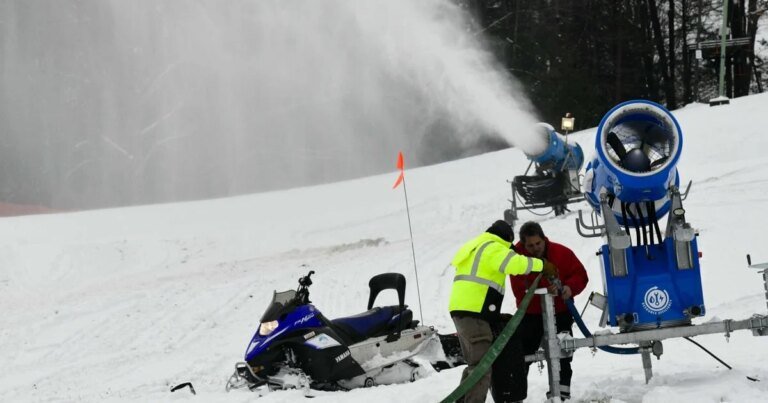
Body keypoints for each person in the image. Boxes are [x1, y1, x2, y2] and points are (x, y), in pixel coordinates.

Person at [449, 220, 555, 403]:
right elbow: (515, 264)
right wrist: (541, 265)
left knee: (475, 366)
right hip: (475, 314)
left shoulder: (476, 246)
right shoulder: (493, 247)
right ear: (506, 239)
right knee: (482, 368)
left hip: (462, 311)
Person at [495, 221, 589, 402]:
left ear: (544, 239)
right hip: (530, 314)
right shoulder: (517, 259)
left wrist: (569, 288)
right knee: (521, 354)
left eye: (538, 244)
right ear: (523, 244)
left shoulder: (562, 253)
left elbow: (580, 275)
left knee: (563, 351)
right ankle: (515, 396)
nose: (535, 248)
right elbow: (520, 288)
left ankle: (561, 394)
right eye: (530, 245)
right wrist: (547, 288)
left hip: (560, 311)